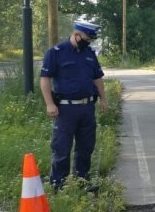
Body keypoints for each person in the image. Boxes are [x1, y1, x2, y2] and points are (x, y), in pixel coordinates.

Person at [39, 20, 108, 189]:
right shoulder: (55, 53)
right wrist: (49, 104)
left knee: (86, 147)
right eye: (86, 38)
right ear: (77, 35)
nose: (88, 42)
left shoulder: (89, 53)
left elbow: (97, 78)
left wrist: (103, 99)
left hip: (87, 108)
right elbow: (45, 79)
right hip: (65, 109)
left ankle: (81, 182)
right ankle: (58, 185)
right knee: (62, 148)